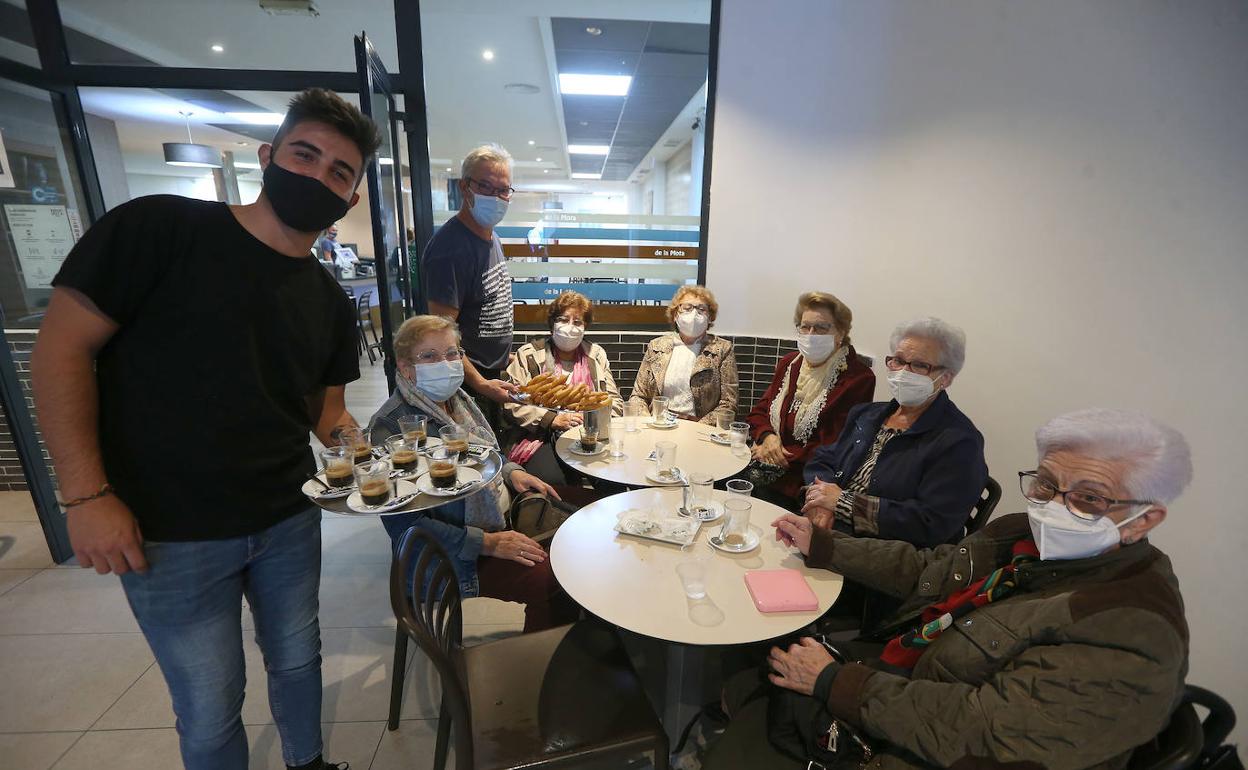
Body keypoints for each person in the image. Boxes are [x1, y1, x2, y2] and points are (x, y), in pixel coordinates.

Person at [30, 88, 374, 770]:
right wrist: (87, 496)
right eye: (305, 155)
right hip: (169, 529)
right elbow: (60, 352)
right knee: (211, 700)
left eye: (340, 172)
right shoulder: (160, 230)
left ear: (352, 198)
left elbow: (327, 414)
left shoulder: (329, 300)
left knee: (300, 659)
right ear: (269, 155)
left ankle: (308, 764)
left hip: (287, 515)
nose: (318, 176)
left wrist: (370, 457)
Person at [704, 409, 1192, 770]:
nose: (1053, 507)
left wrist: (834, 681)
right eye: (1044, 484)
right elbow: (932, 570)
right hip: (910, 668)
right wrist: (827, 547)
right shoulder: (1023, 533)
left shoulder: (1130, 631)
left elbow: (980, 732)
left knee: (744, 730)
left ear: (1143, 519)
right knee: (754, 671)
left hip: (927, 746)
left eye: (1088, 498)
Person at [367, 315, 579, 632]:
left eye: (452, 353)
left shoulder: (459, 399)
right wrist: (489, 544)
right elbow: (405, 525)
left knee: (585, 515)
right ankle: (540, 667)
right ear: (406, 367)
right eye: (430, 356)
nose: (446, 363)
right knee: (557, 583)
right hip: (456, 554)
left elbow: (485, 452)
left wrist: (510, 470)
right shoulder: (391, 427)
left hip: (498, 512)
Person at [802, 316, 986, 548]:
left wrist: (841, 503)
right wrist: (820, 502)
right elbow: (823, 459)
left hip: (886, 554)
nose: (903, 372)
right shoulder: (866, 414)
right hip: (828, 529)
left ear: (945, 378)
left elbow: (932, 522)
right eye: (898, 360)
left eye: (919, 365)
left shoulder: (960, 441)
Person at [744, 292, 875, 507]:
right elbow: (759, 412)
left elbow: (838, 444)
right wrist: (767, 438)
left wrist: (774, 455)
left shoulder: (858, 378)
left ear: (840, 332)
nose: (811, 334)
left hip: (806, 482)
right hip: (766, 467)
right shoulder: (790, 364)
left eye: (821, 328)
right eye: (805, 327)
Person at [422, 143, 519, 423]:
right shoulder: (450, 248)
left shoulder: (492, 237)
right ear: (465, 188)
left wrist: (502, 356)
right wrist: (480, 383)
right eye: (486, 187)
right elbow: (441, 334)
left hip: (490, 374)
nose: (497, 197)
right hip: (467, 384)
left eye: (503, 190)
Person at [501, 290, 624, 485]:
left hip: (591, 434)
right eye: (563, 320)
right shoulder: (529, 355)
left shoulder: (596, 355)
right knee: (554, 479)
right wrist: (553, 419)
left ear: (585, 327)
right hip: (542, 436)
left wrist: (593, 418)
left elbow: (614, 400)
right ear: (552, 324)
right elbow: (511, 403)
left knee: (614, 477)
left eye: (577, 322)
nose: (570, 327)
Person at [628, 285, 738, 425]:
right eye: (687, 308)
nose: (694, 314)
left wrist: (697, 426)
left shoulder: (722, 349)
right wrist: (648, 422)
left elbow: (728, 404)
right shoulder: (656, 347)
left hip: (700, 432)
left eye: (701, 309)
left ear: (710, 317)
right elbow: (638, 396)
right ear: (675, 315)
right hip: (658, 425)